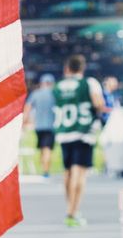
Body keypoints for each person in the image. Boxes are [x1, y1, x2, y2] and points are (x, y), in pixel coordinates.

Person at [54, 53, 108, 227]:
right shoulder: (89, 83)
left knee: (67, 173)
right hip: (83, 132)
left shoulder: (59, 86)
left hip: (64, 132)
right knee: (79, 173)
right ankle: (73, 212)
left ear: (67, 68)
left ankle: (69, 208)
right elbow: (98, 104)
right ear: (82, 68)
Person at [26, 72, 57, 175]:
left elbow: (28, 107)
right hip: (51, 126)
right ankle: (46, 170)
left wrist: (26, 119)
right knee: (47, 148)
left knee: (42, 148)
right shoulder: (54, 93)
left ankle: (43, 168)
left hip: (38, 126)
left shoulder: (36, 93)